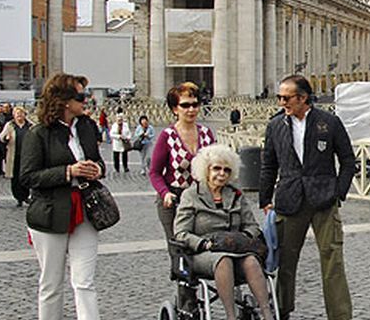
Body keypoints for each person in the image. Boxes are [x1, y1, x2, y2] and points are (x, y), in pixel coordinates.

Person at [260, 75, 354, 320]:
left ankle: (340, 316)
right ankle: (282, 310)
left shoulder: (329, 122)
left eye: (286, 97)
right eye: (279, 97)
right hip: (289, 200)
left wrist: (338, 192)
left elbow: (348, 160)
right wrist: (265, 198)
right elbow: (268, 164)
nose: (281, 102)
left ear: (303, 98)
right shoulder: (275, 125)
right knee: (286, 262)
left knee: (333, 261)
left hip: (324, 199)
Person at [19, 73, 106, 320]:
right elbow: (28, 176)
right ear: (64, 100)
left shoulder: (87, 127)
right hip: (50, 212)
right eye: (81, 96)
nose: (86, 100)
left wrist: (97, 169)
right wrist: (68, 171)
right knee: (51, 284)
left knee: (84, 281)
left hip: (86, 210)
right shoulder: (39, 134)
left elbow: (98, 159)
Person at [174, 144, 275, 320]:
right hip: (205, 252)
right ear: (206, 169)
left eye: (227, 170)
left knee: (251, 261)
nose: (222, 174)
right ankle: (231, 315)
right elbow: (181, 233)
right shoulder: (191, 195)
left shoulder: (236, 195)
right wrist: (203, 244)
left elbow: (252, 226)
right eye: (216, 168)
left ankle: (267, 313)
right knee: (223, 260)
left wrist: (242, 238)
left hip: (236, 248)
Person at [150, 82, 217, 243]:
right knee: (178, 249)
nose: (191, 110)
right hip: (174, 198)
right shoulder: (168, 136)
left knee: (202, 247)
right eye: (185, 105)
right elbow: (155, 172)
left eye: (195, 105)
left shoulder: (207, 134)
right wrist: (165, 193)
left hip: (202, 198)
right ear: (175, 109)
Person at [0, 105, 33, 206]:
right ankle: (18, 197)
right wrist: (6, 138)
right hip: (14, 154)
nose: (19, 116)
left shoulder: (30, 125)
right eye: (17, 114)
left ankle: (26, 195)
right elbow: (1, 137)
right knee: (15, 177)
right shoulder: (10, 125)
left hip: (27, 154)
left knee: (26, 175)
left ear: (24, 115)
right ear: (14, 115)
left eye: (21, 113)